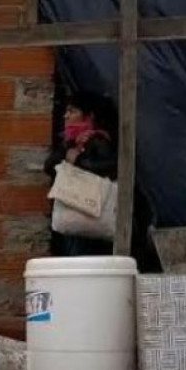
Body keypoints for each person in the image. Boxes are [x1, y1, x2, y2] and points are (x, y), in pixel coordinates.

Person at [44, 90, 119, 257]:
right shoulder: (70, 142)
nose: (66, 116)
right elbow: (49, 167)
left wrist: (79, 161)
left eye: (72, 111)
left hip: (89, 220)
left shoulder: (98, 140)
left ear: (88, 116)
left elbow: (111, 168)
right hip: (72, 217)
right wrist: (68, 147)